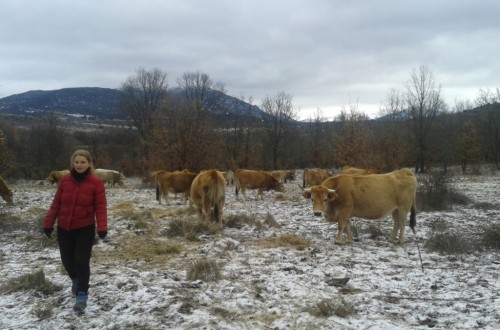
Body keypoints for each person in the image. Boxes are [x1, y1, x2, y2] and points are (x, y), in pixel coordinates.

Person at [43, 149, 108, 312]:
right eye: (77, 162)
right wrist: (48, 223)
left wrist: (102, 227)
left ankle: (81, 295)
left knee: (81, 262)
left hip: (84, 228)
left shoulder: (96, 183)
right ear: (73, 163)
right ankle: (76, 280)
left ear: (89, 164)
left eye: (83, 162)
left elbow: (100, 207)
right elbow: (56, 204)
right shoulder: (65, 181)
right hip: (64, 228)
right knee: (66, 260)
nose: (79, 165)